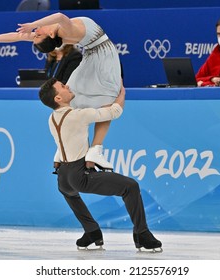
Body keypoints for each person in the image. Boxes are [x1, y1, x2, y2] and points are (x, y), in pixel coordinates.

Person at [0, 13, 121, 170]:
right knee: (98, 99)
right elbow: (60, 16)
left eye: (36, 33)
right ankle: (87, 148)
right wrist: (33, 23)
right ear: (50, 34)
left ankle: (89, 148)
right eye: (37, 34)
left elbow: (18, 36)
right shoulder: (65, 31)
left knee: (81, 98)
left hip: (92, 54)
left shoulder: (56, 33)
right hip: (104, 55)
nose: (36, 31)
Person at [39, 77, 162, 252]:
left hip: (62, 176)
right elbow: (114, 112)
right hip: (79, 174)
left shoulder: (52, 118)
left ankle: (92, 231)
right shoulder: (78, 115)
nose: (67, 86)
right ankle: (142, 234)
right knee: (130, 187)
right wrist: (121, 94)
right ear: (57, 98)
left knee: (70, 194)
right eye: (62, 86)